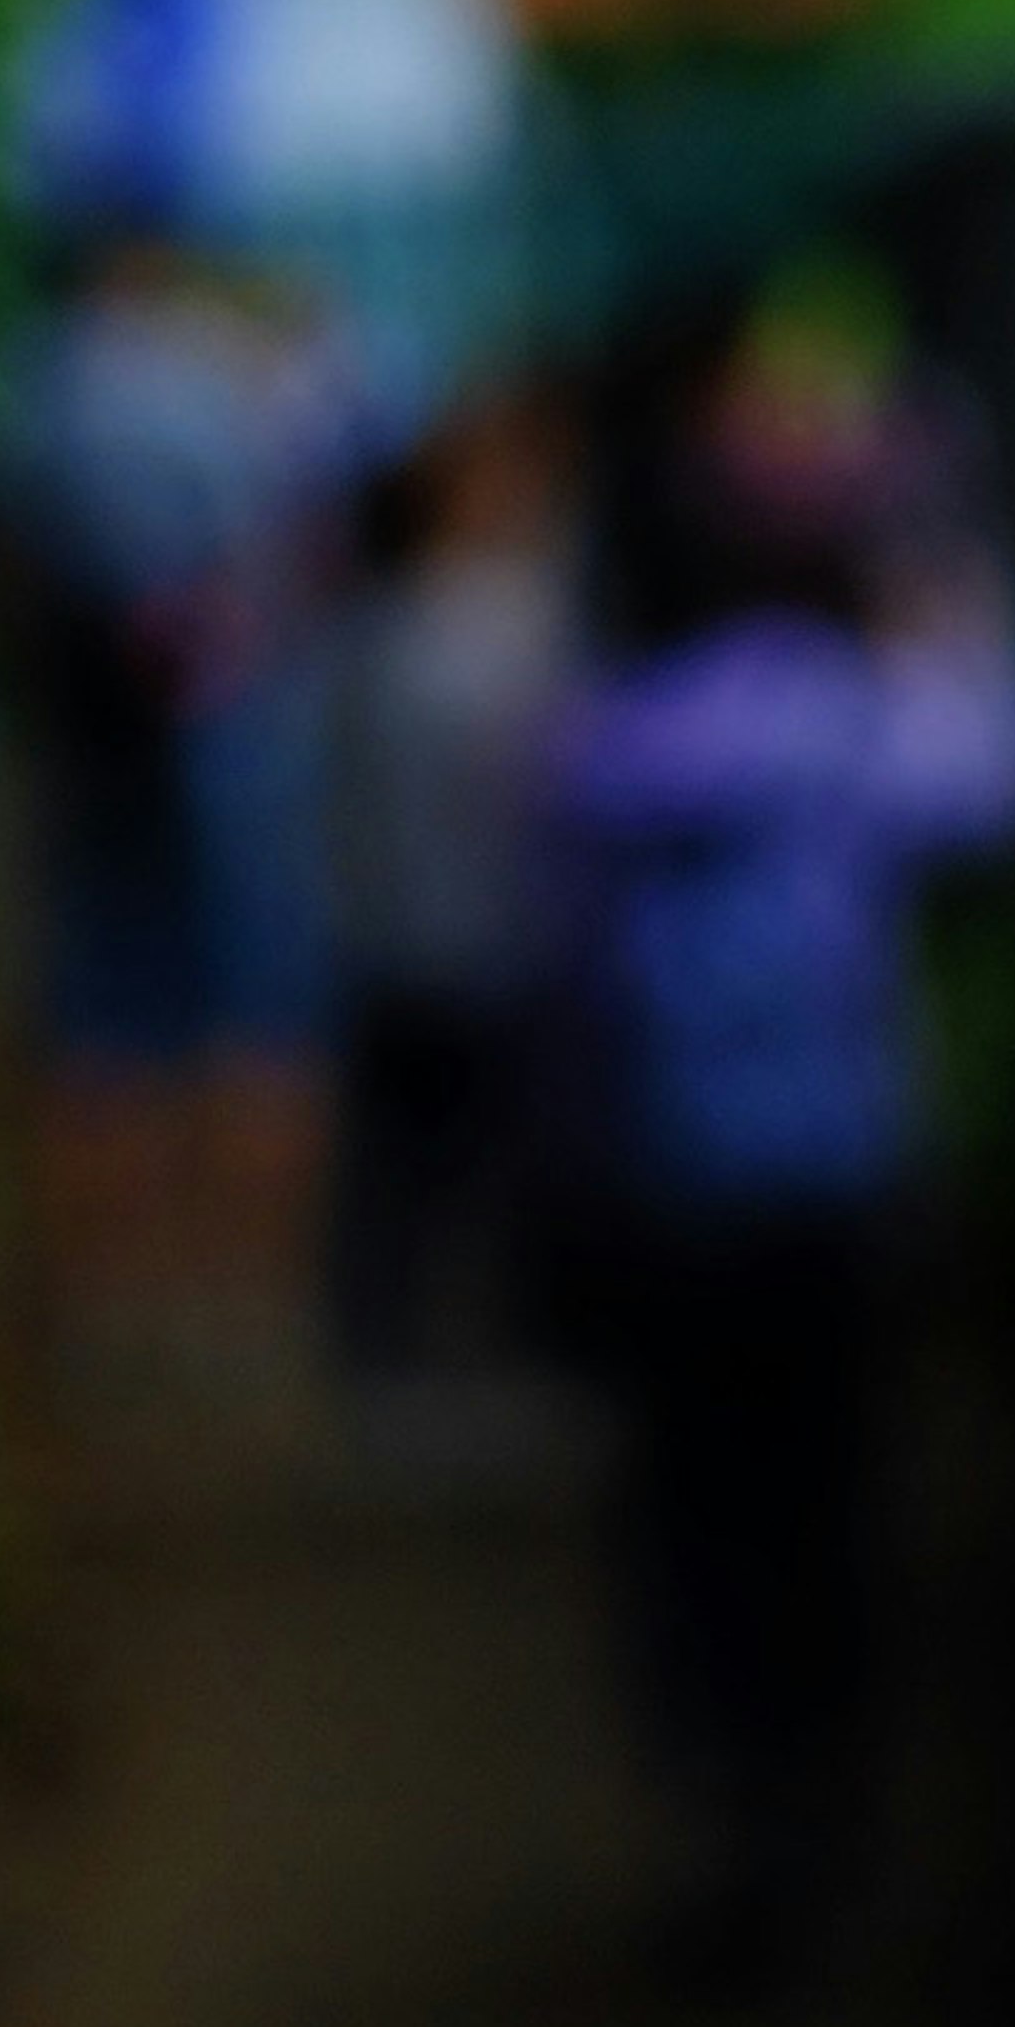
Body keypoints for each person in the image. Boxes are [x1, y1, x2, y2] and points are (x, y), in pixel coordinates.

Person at [539, 287, 1015, 1973]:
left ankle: (731, 1811)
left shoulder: (595, 756)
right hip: (832, 1182)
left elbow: (554, 990)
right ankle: (831, 1824)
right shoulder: (848, 725)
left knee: (693, 1515)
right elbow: (998, 780)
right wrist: (949, 601)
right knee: (832, 1511)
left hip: (665, 1194)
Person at [0, 230, 371, 1328]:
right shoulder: (213, 394)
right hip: (225, 726)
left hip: (81, 722)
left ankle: (106, 1289)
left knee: (95, 995)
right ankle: (243, 1285)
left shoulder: (34, 387)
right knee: (257, 995)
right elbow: (285, 554)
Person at [317, 380, 578, 1386]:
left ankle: (389, 1340)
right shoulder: (495, 626)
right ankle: (460, 1343)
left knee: (402, 1159)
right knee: (458, 1155)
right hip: (476, 938)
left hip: (401, 936)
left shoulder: (374, 631)